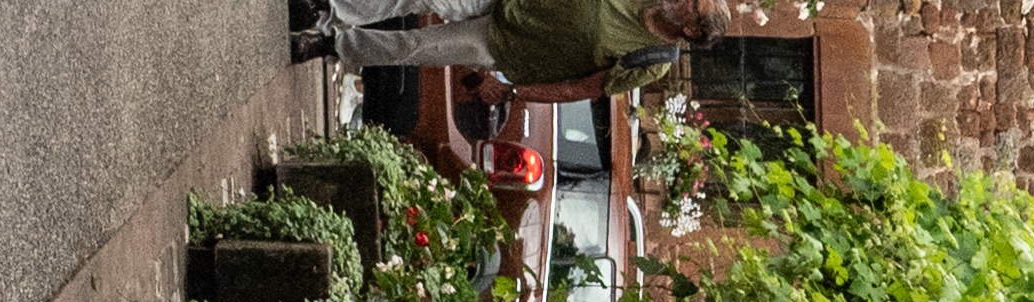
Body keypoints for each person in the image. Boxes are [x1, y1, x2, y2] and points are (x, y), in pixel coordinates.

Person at [305, 0, 737, 84]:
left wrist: (515, 90)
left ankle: (332, 46)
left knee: (417, 48)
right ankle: (328, 9)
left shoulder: (654, 60)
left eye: (693, 4)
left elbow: (583, 88)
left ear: (691, 30)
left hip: (510, 45)